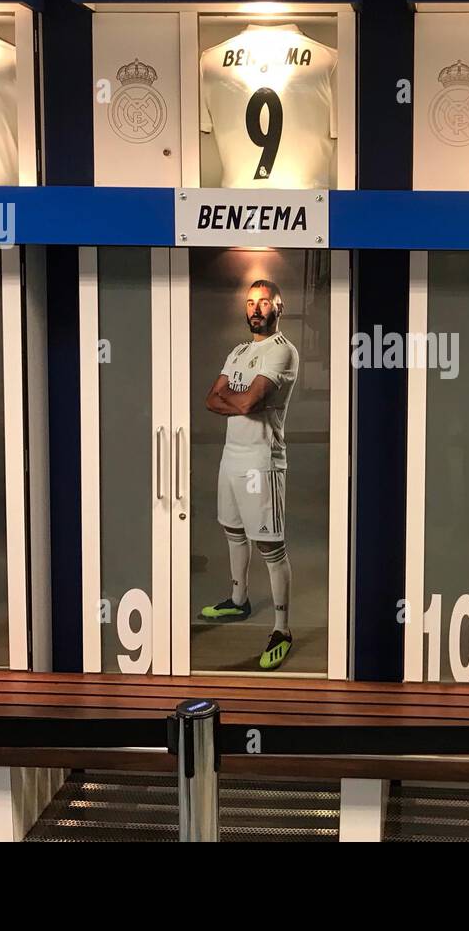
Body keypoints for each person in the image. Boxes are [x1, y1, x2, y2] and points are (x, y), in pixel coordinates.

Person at [200, 280, 300, 671]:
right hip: (231, 457)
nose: (256, 308)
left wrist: (234, 402)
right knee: (233, 532)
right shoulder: (239, 351)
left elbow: (248, 399)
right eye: (250, 302)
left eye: (264, 302)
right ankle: (239, 600)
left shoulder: (283, 352)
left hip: (262, 460)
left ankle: (282, 628)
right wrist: (235, 404)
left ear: (279, 307)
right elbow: (211, 398)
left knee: (270, 547)